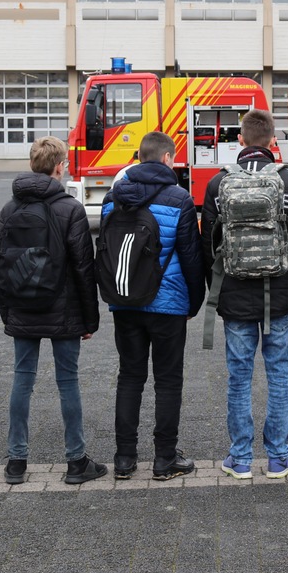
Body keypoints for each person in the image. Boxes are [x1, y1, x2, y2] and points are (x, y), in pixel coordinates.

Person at [202, 109, 288, 479]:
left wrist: (216, 289)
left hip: (234, 297)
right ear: (273, 142)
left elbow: (207, 242)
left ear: (239, 140)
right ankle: (279, 457)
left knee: (239, 378)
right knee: (279, 374)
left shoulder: (218, 184)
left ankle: (239, 459)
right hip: (281, 296)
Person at [0, 137, 105, 485]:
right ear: (59, 166)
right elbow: (83, 268)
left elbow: (0, 267)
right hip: (65, 308)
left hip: (22, 306)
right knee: (68, 382)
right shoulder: (70, 209)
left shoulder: (8, 209)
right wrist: (90, 318)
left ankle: (16, 461)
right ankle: (76, 462)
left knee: (22, 381)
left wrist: (6, 312)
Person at [103, 131, 205, 481]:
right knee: (168, 381)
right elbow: (192, 258)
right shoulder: (180, 199)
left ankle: (124, 458)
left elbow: (104, 251)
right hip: (168, 305)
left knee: (129, 378)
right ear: (166, 159)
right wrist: (194, 301)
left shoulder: (112, 198)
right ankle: (164, 460)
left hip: (125, 301)